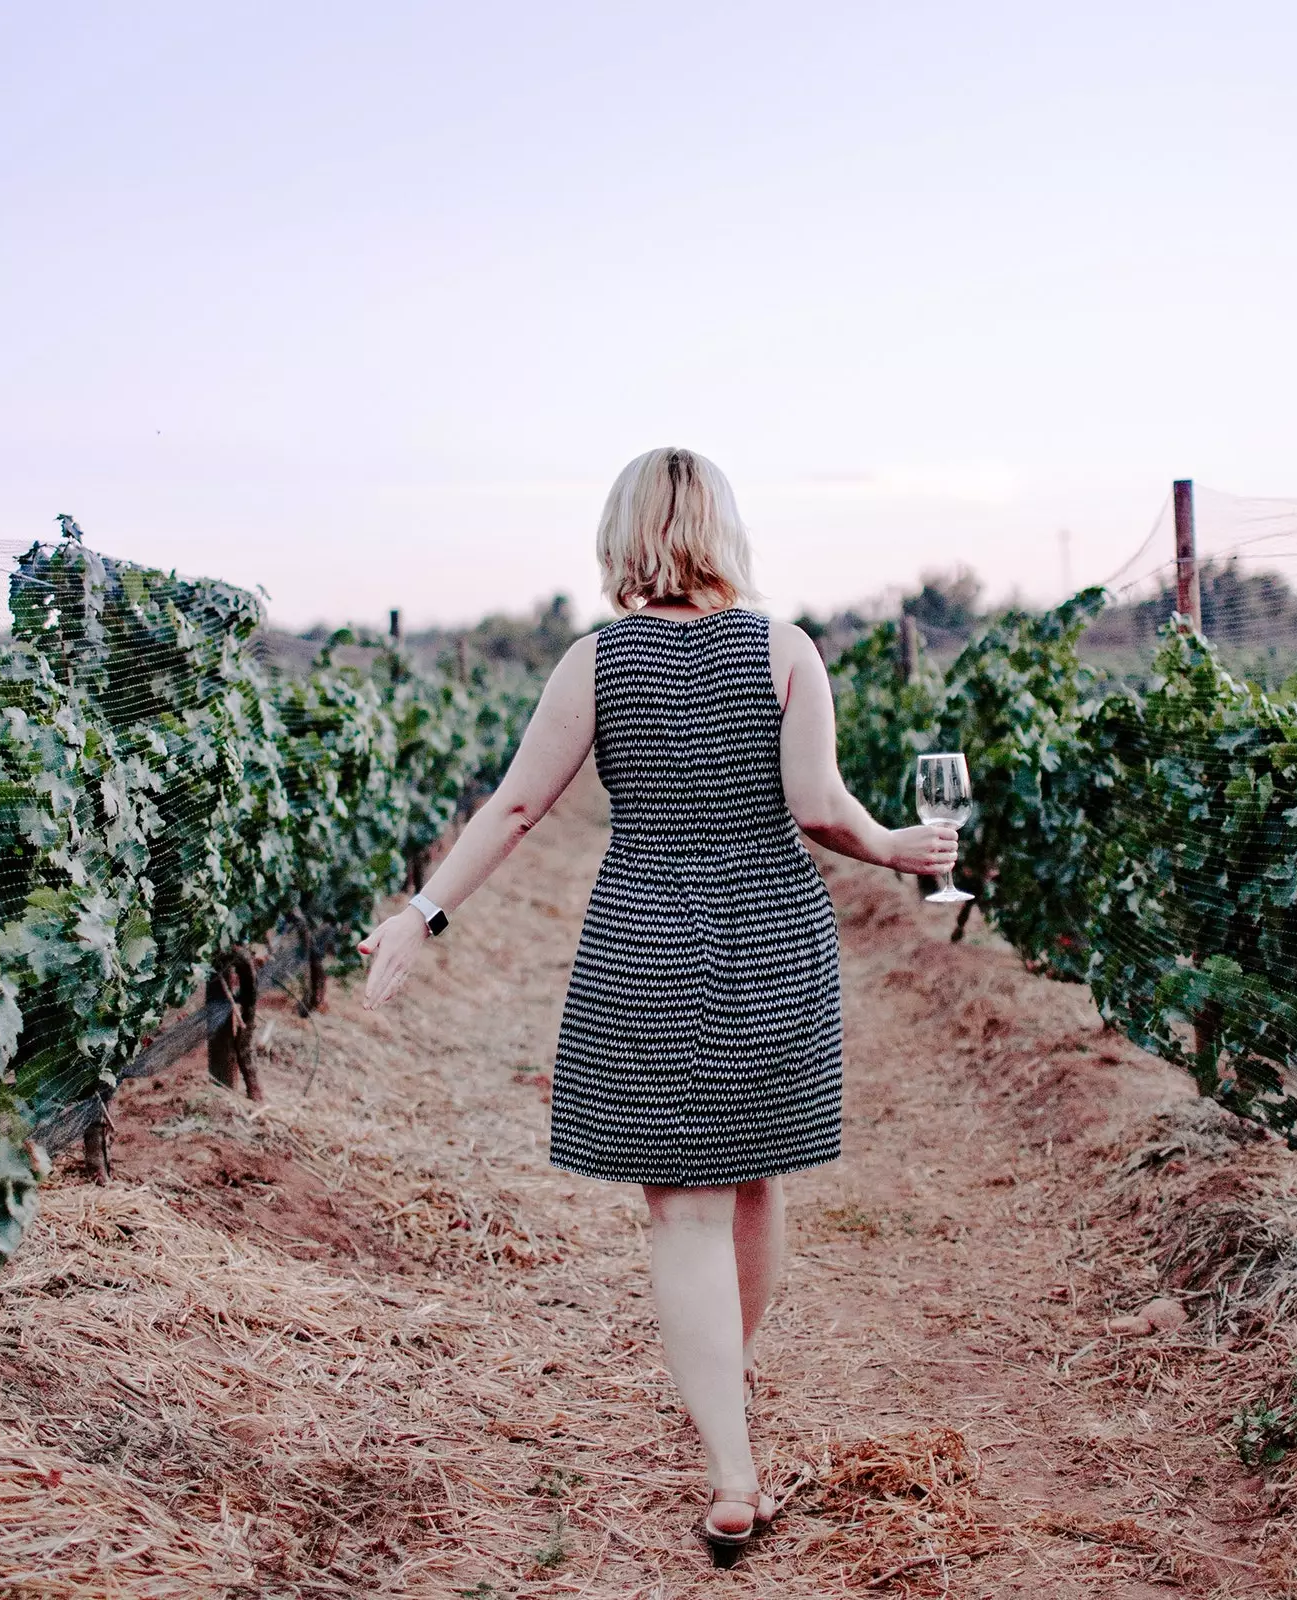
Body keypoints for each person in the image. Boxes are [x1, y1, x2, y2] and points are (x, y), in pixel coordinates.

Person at [359, 447, 959, 1565]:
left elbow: (519, 805)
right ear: (724, 532)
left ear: (622, 532)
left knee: (681, 1210)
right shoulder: (784, 650)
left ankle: (730, 1466)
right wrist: (893, 848)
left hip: (644, 941)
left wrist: (420, 915)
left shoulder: (594, 663)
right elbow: (817, 805)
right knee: (753, 1176)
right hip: (774, 935)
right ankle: (722, 1398)